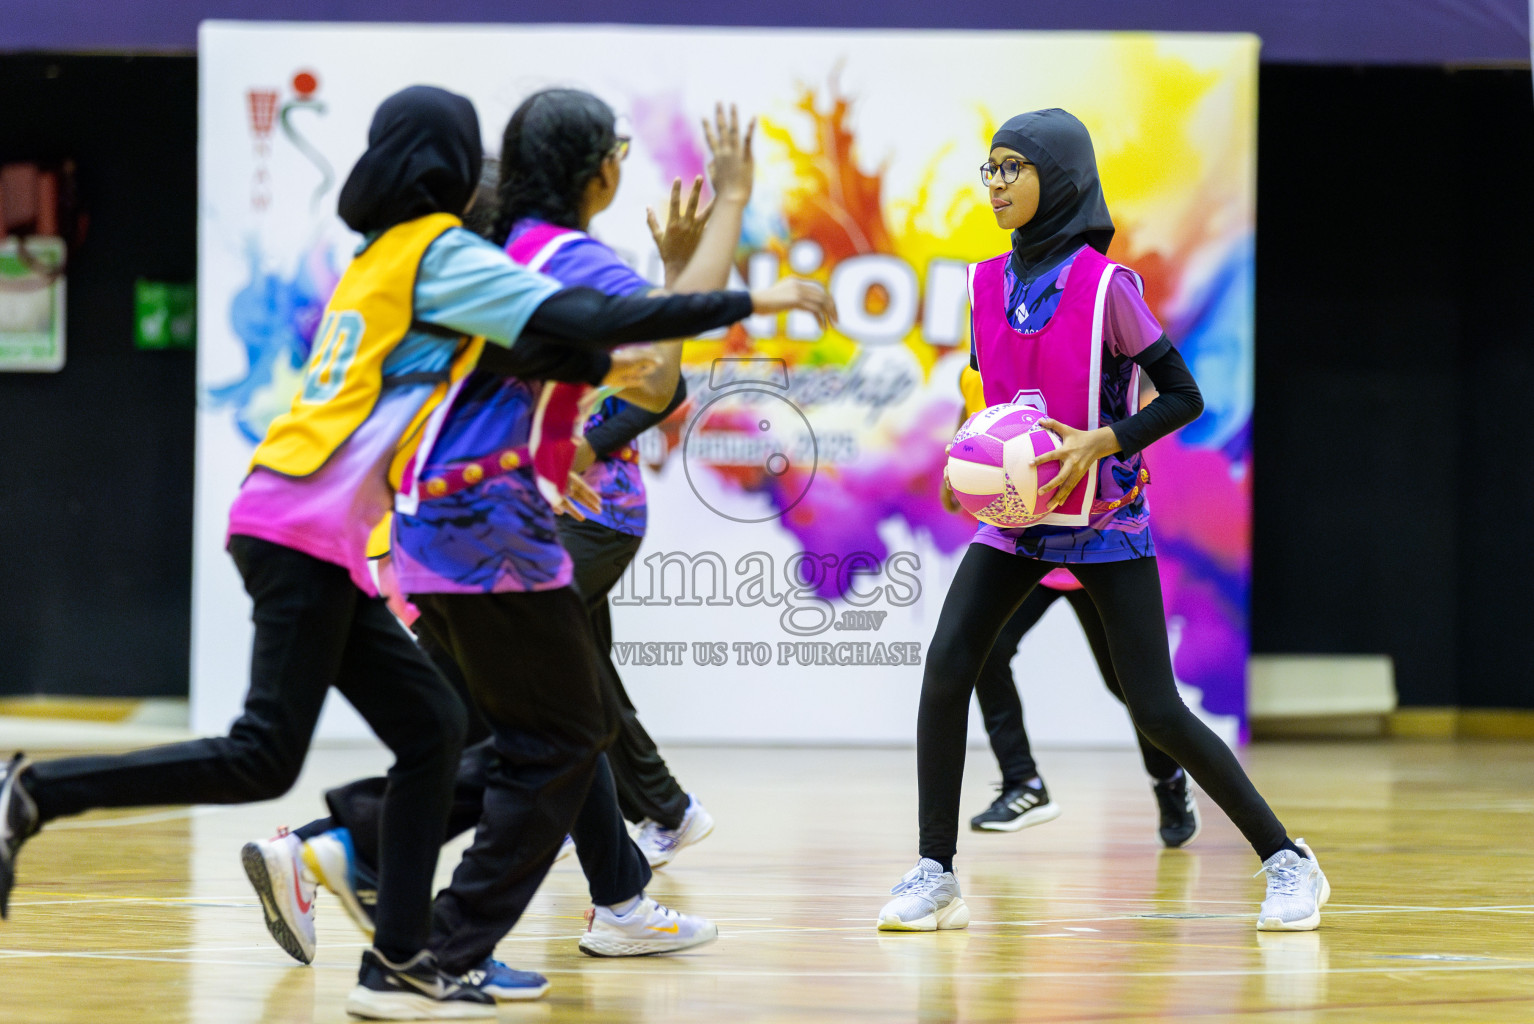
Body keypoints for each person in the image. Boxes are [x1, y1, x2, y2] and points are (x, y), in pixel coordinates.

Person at [0, 84, 829, 1021]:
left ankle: (402, 951)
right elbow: (605, 334)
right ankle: (44, 792)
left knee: (442, 727)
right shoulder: (446, 257)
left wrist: (638, 333)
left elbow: (591, 359)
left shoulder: (400, 258)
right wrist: (739, 272)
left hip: (340, 527)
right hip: (353, 528)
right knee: (317, 752)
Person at [249, 93, 760, 972]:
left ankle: (613, 893)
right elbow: (655, 383)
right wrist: (720, 224)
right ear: (592, 172)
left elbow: (646, 383)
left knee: (553, 720)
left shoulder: (464, 265)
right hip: (510, 528)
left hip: (466, 528)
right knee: (540, 734)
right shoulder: (522, 268)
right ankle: (360, 865)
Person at [877, 108, 1327, 935]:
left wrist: (1106, 440)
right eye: (991, 169)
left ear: (1062, 177)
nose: (998, 184)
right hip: (1017, 521)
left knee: (1153, 706)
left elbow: (1186, 395)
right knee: (947, 668)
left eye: (1014, 167)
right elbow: (990, 400)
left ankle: (1287, 859)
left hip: (1107, 519)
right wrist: (961, 462)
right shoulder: (983, 283)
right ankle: (935, 872)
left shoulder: (1107, 289)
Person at [945, 366, 1199, 845]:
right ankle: (1023, 783)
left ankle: (1168, 781)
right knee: (983, 651)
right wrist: (960, 473)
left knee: (1131, 688)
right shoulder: (980, 369)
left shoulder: (1079, 366)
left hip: (1094, 547)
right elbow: (971, 424)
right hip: (1030, 548)